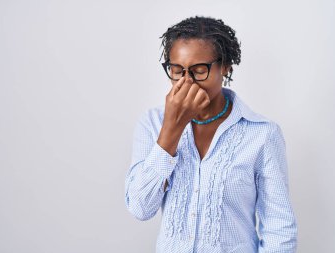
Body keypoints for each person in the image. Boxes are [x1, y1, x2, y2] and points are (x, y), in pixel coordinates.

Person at [124, 15, 298, 253]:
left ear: (225, 66)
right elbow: (140, 207)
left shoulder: (263, 135)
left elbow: (279, 228)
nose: (187, 82)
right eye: (177, 70)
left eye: (199, 70)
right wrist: (171, 130)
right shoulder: (152, 123)